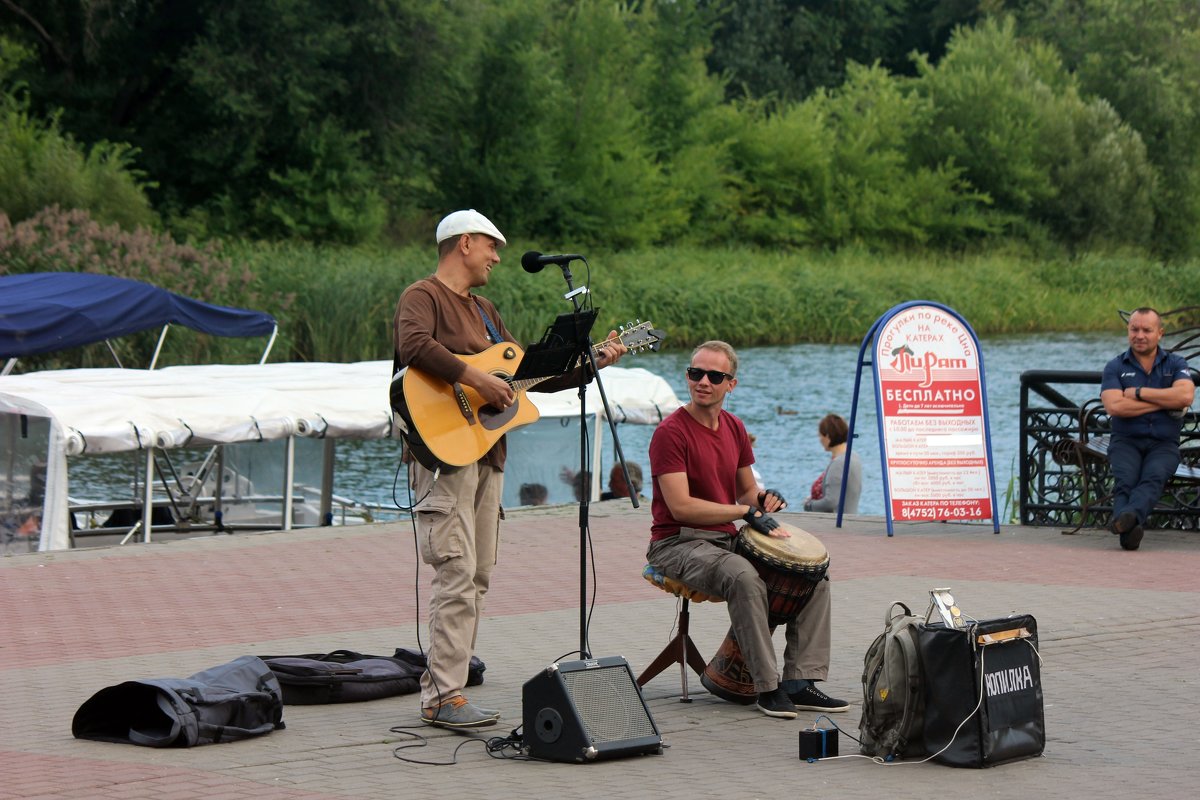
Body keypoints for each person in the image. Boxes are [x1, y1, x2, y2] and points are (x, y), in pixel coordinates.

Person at [392, 209, 627, 729]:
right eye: (492, 247)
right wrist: (476, 374)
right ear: (465, 243)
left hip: (486, 453)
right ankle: (442, 697)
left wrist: (592, 363)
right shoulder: (422, 296)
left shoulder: (487, 311)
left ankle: (450, 685)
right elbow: (414, 347)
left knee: (476, 575)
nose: (498, 257)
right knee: (454, 570)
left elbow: (525, 380)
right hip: (442, 455)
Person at [646, 340, 848, 719]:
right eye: (695, 373)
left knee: (813, 577)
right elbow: (681, 507)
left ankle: (800, 681)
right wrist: (744, 511)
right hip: (676, 543)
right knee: (743, 576)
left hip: (724, 539)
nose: (702, 381)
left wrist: (764, 499)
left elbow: (745, 491)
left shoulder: (735, 427)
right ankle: (766, 687)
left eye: (713, 376)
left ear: (730, 385)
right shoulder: (670, 433)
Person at [1100, 307, 1194, 551]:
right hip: (1126, 440)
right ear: (1128, 331)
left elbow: (1185, 395)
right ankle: (1130, 525)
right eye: (1134, 329)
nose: (1139, 335)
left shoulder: (1175, 363)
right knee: (1126, 482)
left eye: (1146, 330)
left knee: (1153, 477)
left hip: (1164, 443)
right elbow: (1115, 406)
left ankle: (1126, 523)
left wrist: (1140, 394)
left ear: (1160, 333)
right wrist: (1162, 402)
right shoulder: (1115, 366)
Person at [802, 414, 863, 514]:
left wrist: (809, 505)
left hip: (835, 523)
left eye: (820, 435)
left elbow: (831, 501)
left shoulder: (839, 463)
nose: (820, 440)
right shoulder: (853, 456)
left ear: (827, 436)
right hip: (851, 516)